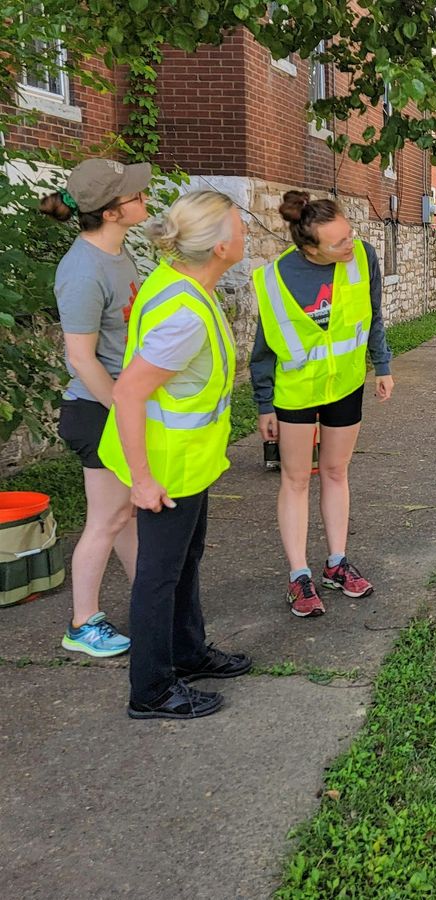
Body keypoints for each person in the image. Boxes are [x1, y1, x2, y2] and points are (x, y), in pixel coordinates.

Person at [99, 190, 252, 719]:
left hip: (189, 459)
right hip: (165, 466)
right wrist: (142, 480)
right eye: (238, 226)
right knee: (158, 577)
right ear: (217, 247)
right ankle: (152, 690)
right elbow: (128, 392)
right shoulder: (184, 314)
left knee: (185, 561)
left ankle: (187, 653)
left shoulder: (184, 282)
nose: (245, 233)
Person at [250, 192, 394, 618]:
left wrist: (382, 365)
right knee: (295, 479)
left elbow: (375, 315)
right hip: (295, 394)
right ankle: (299, 575)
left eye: (349, 234)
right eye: (338, 243)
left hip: (346, 386)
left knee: (335, 471)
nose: (349, 245)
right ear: (308, 247)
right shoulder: (274, 278)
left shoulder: (363, 257)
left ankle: (336, 563)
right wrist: (264, 404)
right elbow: (263, 349)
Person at [39, 159, 152, 658]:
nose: (143, 199)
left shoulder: (116, 252)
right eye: (134, 195)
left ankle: (148, 597)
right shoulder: (82, 271)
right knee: (106, 519)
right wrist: (125, 410)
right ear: (111, 212)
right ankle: (82, 624)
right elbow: (82, 359)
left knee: (125, 513)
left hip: (117, 405)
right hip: (97, 410)